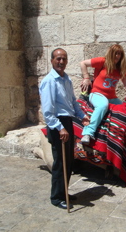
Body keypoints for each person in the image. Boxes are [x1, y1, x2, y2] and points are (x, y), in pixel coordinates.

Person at [39, 48, 90, 210]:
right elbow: (47, 111)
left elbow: (73, 102)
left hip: (67, 123)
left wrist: (82, 115)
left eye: (64, 59)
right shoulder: (49, 81)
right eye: (58, 59)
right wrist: (60, 128)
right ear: (52, 61)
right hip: (57, 125)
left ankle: (64, 193)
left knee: (69, 161)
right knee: (60, 163)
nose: (61, 62)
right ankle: (56, 197)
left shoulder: (66, 79)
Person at [80, 44, 126, 144]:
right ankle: (88, 132)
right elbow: (83, 63)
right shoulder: (102, 61)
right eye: (115, 53)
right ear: (111, 54)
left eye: (119, 54)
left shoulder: (120, 68)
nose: (117, 56)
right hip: (96, 94)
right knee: (103, 105)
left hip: (112, 97)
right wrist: (86, 77)